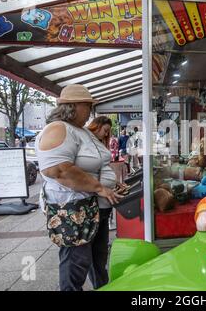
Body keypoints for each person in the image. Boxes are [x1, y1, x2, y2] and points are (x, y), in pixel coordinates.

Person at [35, 84, 122, 291]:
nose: (90, 111)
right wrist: (100, 187)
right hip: (73, 208)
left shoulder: (82, 130)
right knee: (76, 261)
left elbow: (99, 162)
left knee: (96, 258)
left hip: (94, 207)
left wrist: (110, 182)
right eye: (87, 106)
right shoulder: (58, 128)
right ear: (72, 106)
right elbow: (58, 170)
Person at [86, 116, 120, 289]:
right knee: (97, 249)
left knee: (101, 248)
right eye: (105, 130)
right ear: (96, 126)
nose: (107, 134)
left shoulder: (97, 142)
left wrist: (114, 183)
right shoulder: (87, 141)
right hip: (98, 203)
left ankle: (101, 282)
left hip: (104, 203)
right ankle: (100, 283)